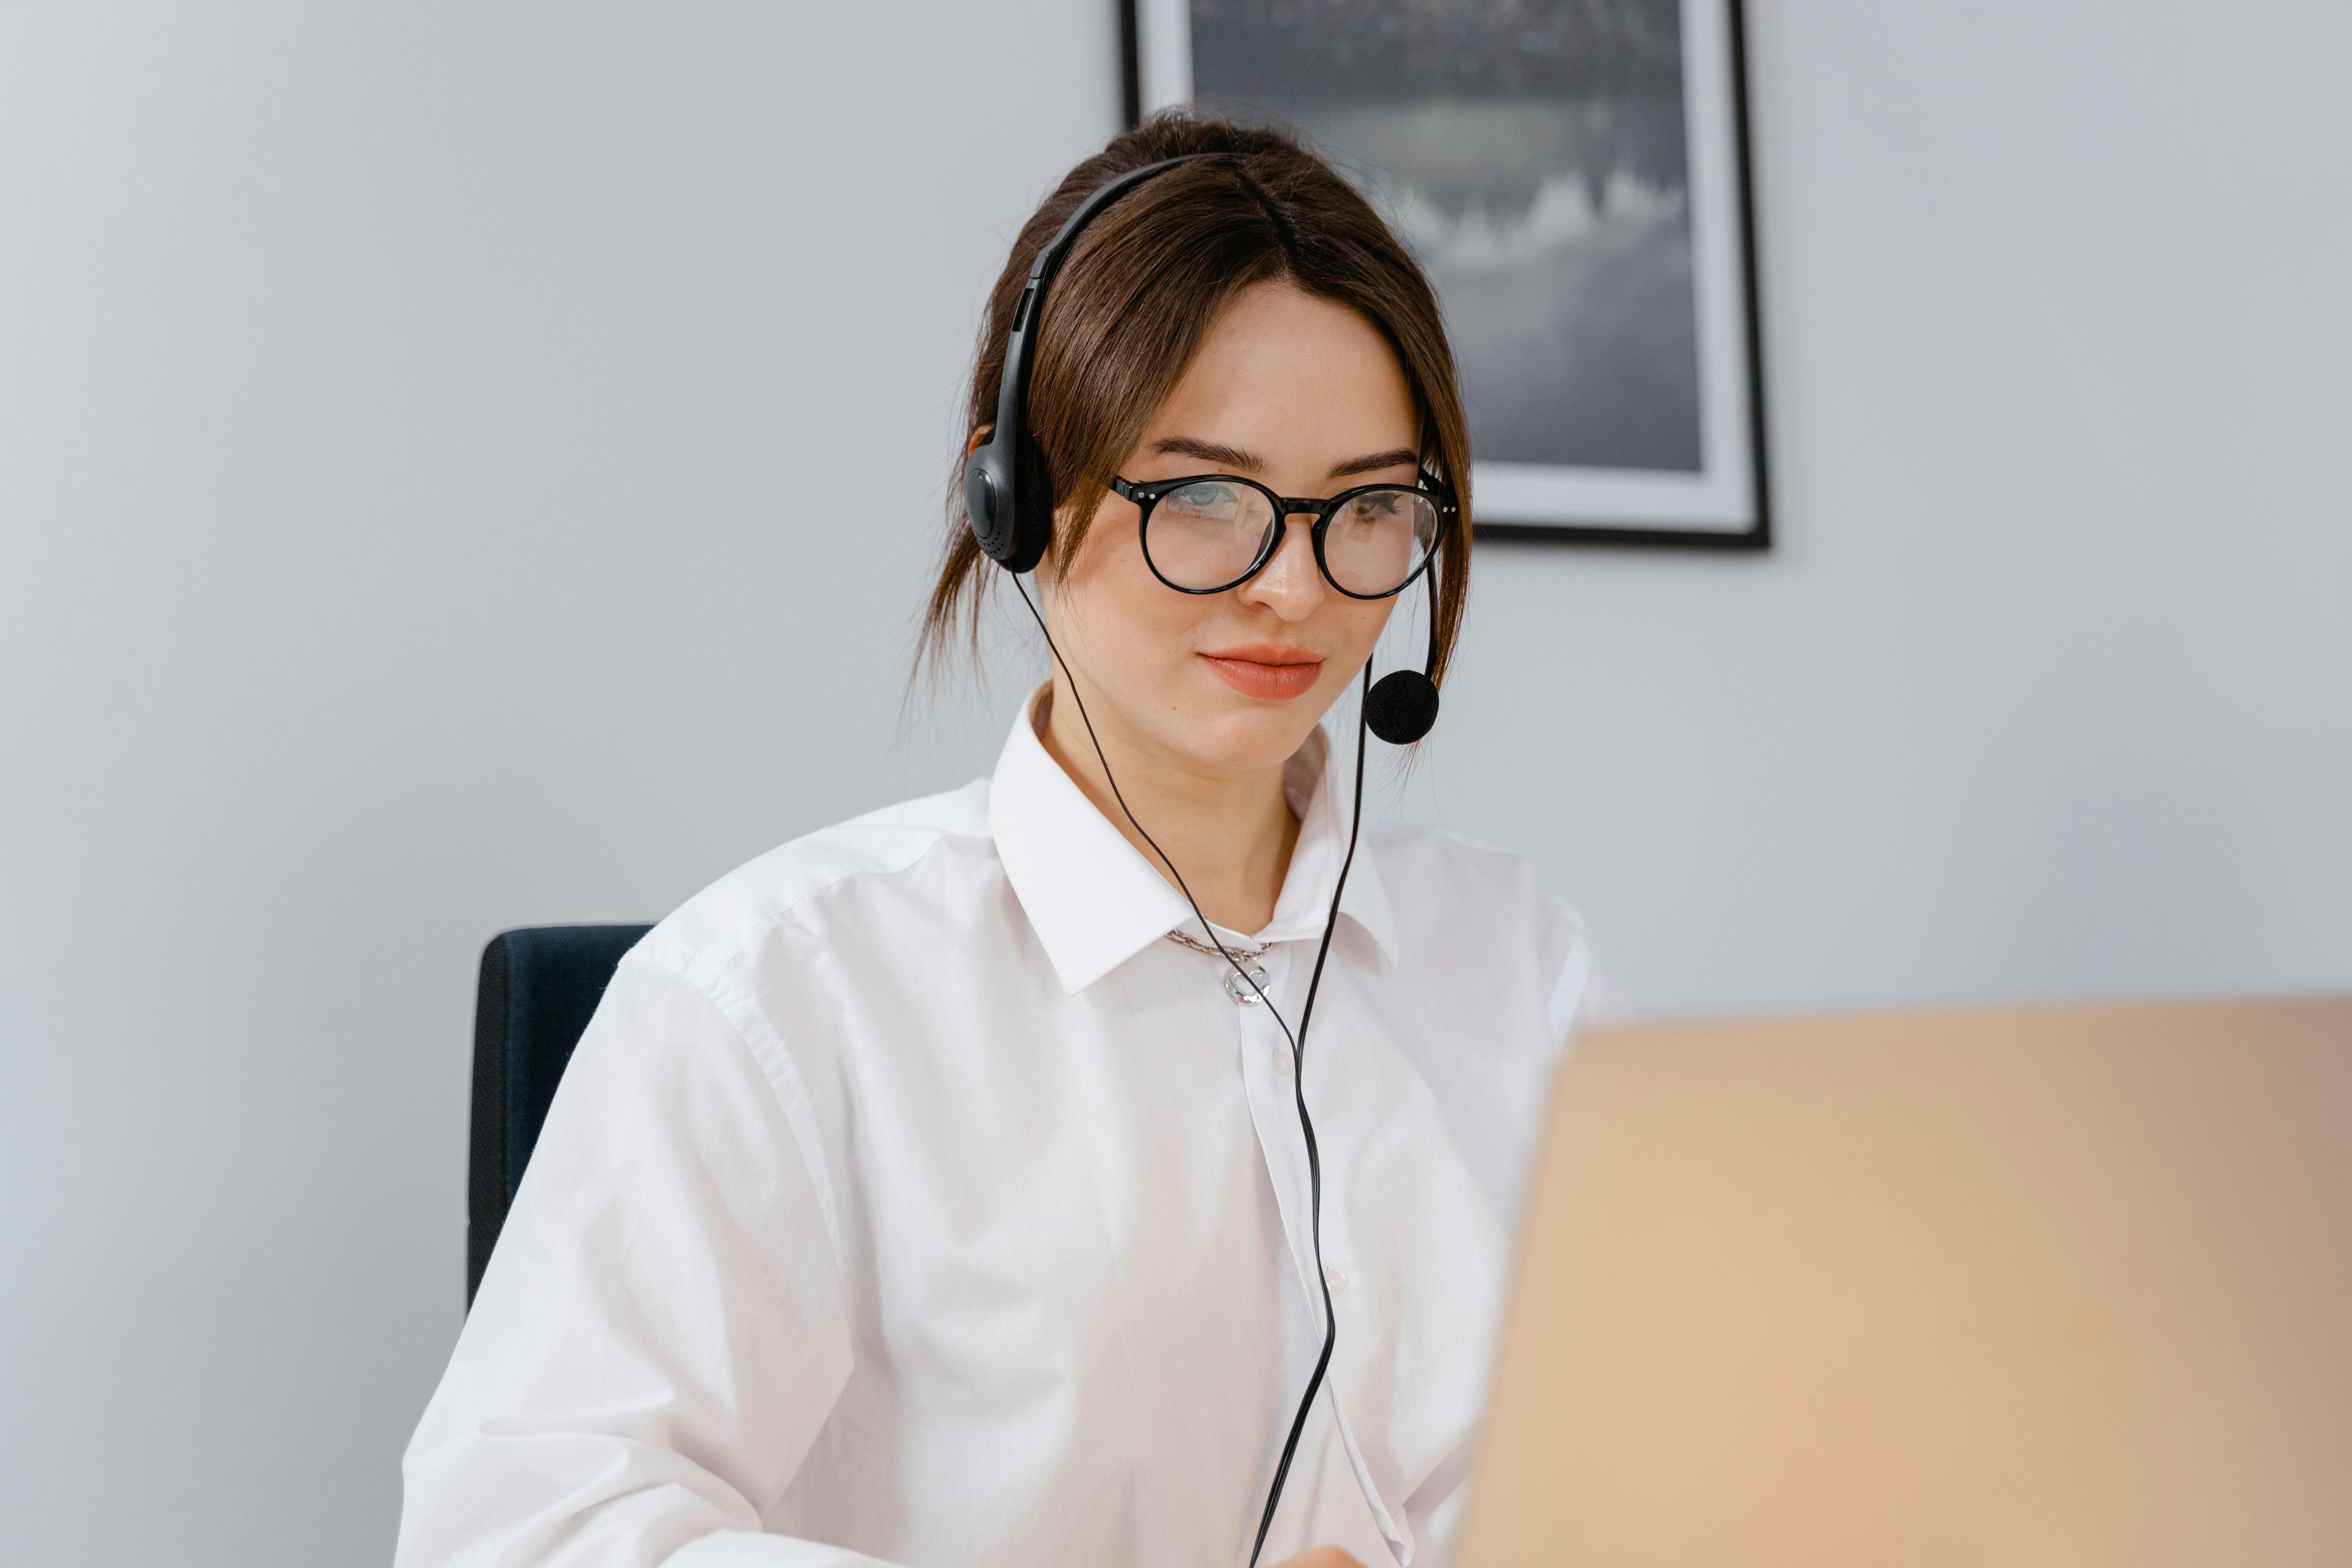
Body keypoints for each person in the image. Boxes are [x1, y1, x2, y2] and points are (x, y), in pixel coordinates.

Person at [397, 113, 1617, 1568]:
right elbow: (526, 1534)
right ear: (1018, 499)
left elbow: (1667, 1450)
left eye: (1366, 508)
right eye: (1207, 498)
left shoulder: (1519, 962)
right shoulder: (774, 995)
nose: (1294, 586)